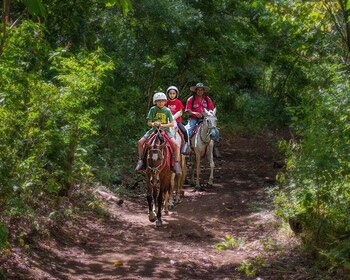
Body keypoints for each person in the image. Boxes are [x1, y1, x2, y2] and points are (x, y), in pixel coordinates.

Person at [135, 92, 182, 173]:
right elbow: (149, 123)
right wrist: (154, 124)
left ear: (165, 102)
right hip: (153, 130)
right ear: (155, 102)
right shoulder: (152, 109)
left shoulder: (167, 110)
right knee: (140, 142)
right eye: (158, 101)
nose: (161, 103)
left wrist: (162, 125)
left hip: (165, 131)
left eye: (162, 101)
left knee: (176, 145)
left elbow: (172, 123)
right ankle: (141, 160)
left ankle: (176, 163)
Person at [185, 82, 221, 158]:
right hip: (193, 119)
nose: (200, 91)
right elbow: (188, 110)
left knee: (215, 131)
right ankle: (187, 147)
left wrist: (206, 114)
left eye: (201, 90)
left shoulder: (207, 99)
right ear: (195, 90)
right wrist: (195, 113)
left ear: (203, 91)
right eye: (198, 90)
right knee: (188, 130)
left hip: (205, 119)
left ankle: (215, 148)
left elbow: (212, 111)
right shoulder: (191, 99)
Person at [166, 86, 190, 155]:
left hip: (177, 121)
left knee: (184, 131)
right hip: (167, 121)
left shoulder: (178, 102)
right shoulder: (166, 102)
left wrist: (174, 117)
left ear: (176, 94)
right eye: (170, 93)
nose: (172, 95)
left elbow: (180, 112)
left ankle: (186, 144)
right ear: (168, 94)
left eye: (173, 93)